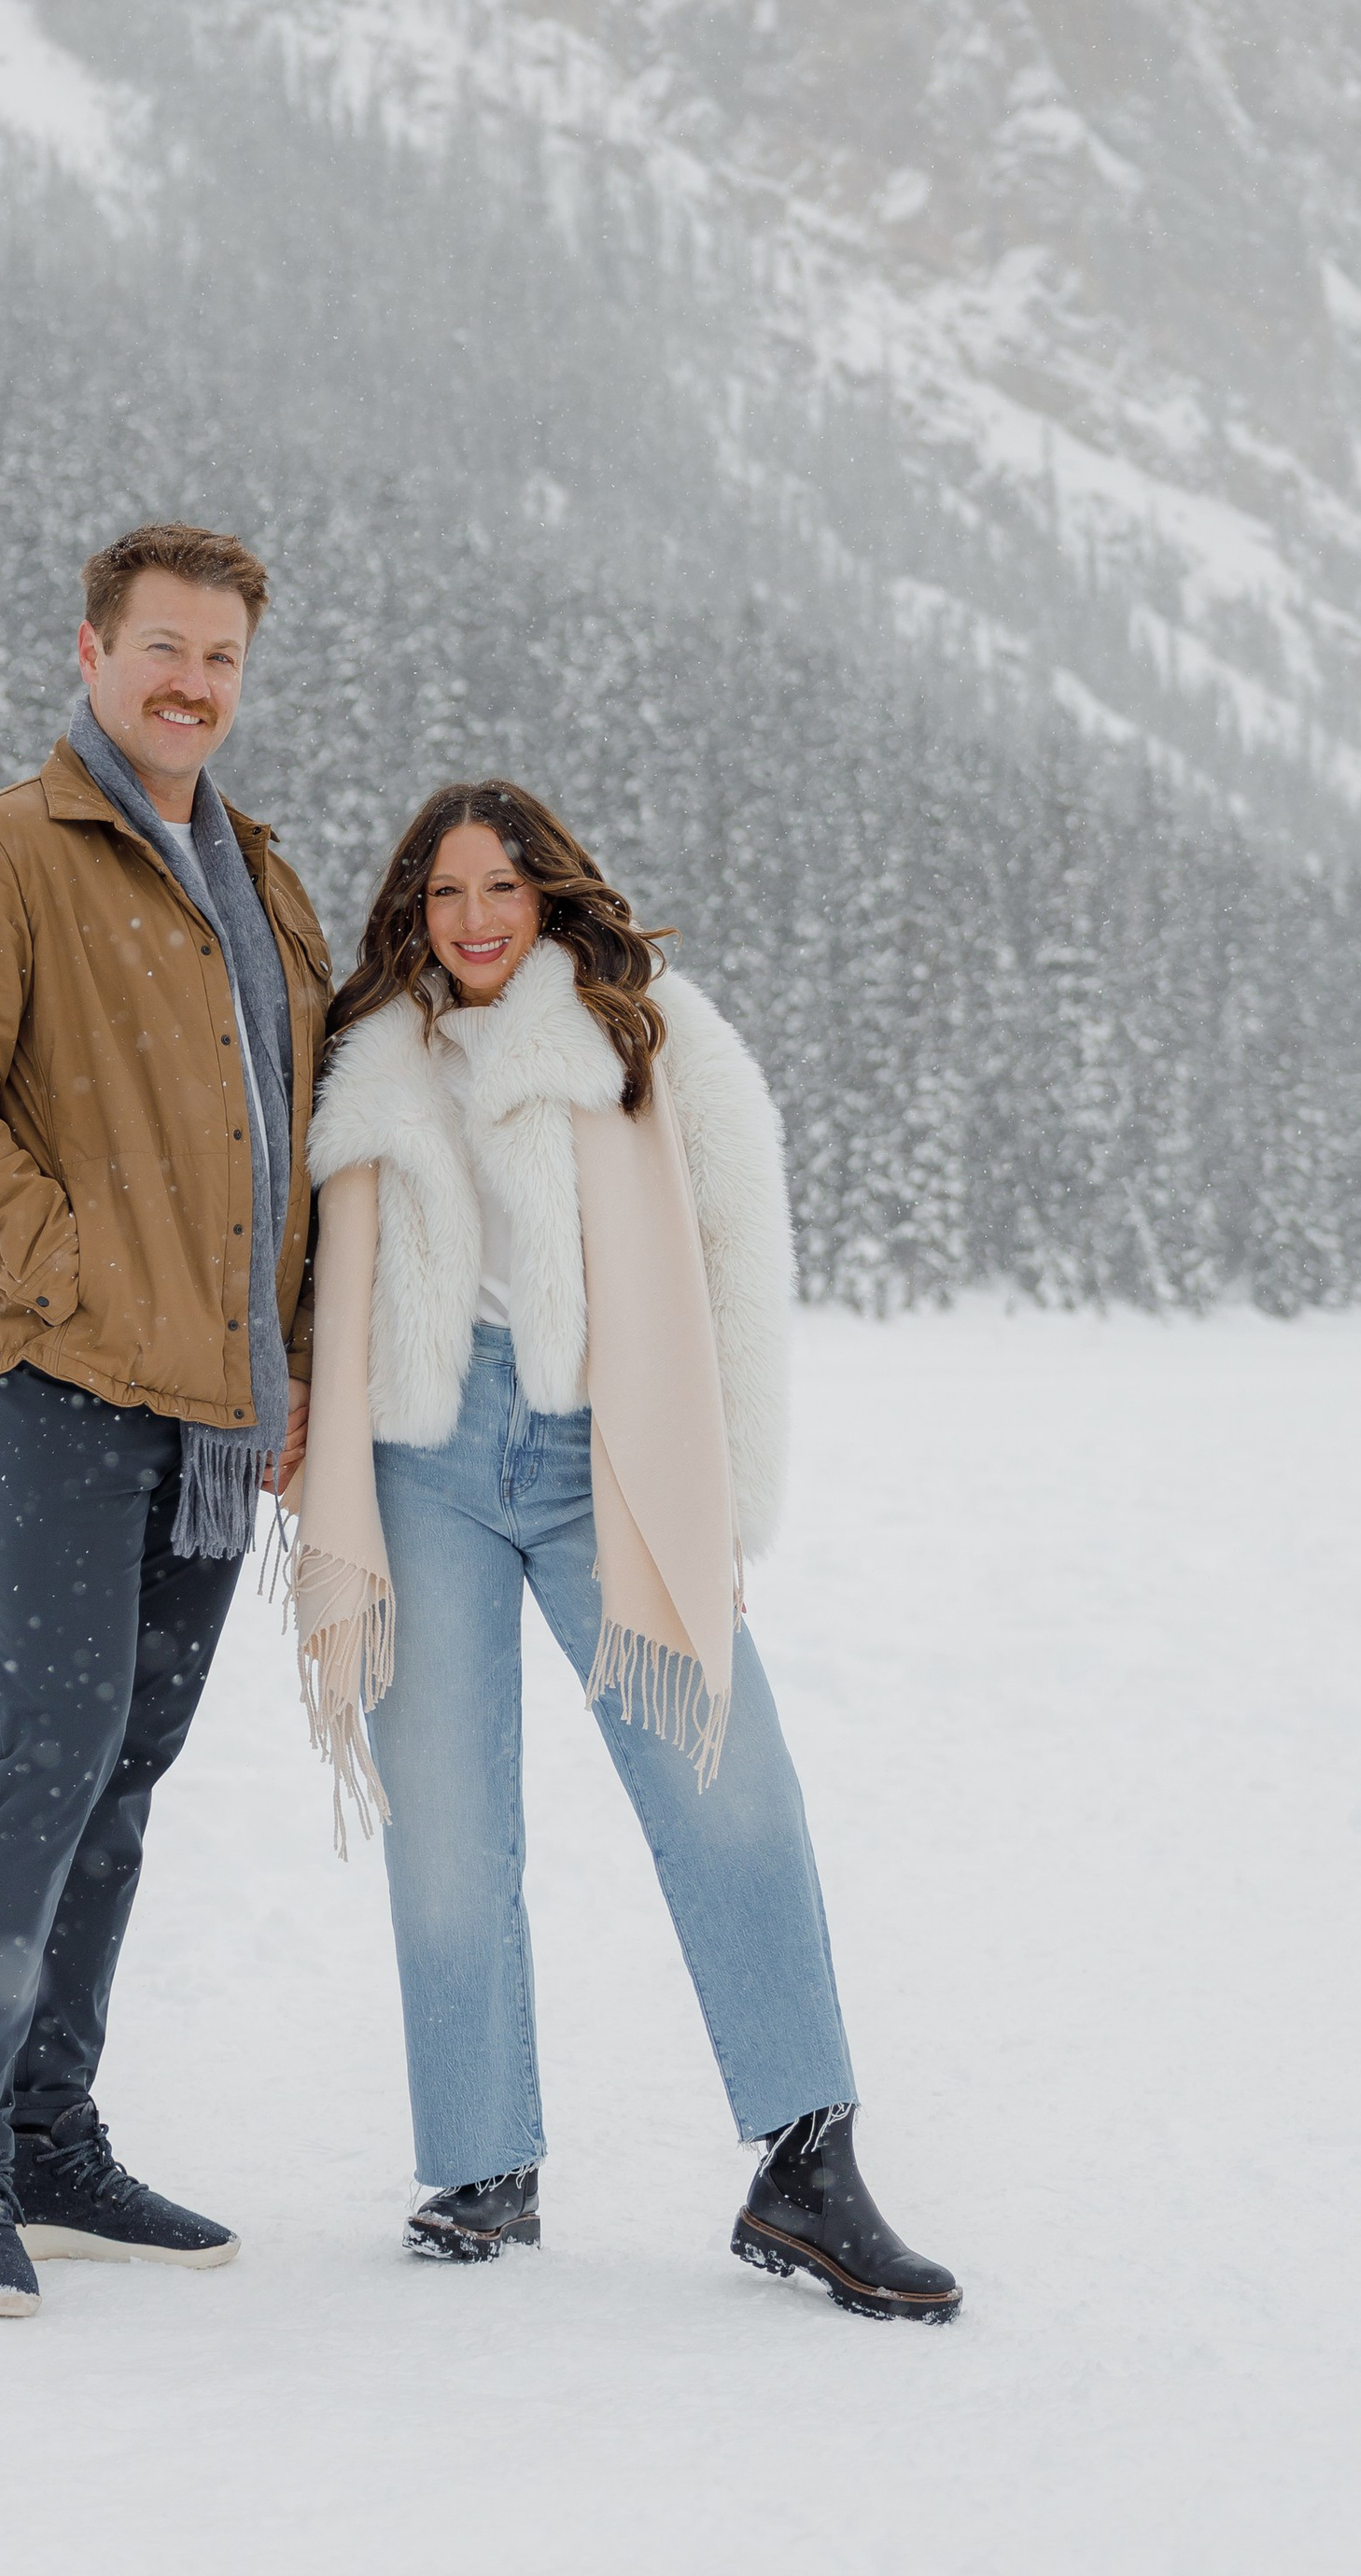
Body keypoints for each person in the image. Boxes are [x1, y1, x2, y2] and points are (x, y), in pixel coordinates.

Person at [286, 781, 960, 2317]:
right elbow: (314, 1260)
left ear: (549, 894)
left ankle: (808, 2159)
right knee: (447, 1826)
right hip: (423, 1462)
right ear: (415, 904)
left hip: (609, 1457)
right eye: (446, 891)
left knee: (730, 1788)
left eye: (500, 888)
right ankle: (481, 2162)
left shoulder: (644, 1032)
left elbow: (738, 1250)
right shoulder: (370, 1055)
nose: (472, 917)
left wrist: (727, 1496)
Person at [0, 521, 330, 2317]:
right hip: (50, 1380)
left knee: (127, 1769)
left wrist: (282, 1369)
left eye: (222, 658)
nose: (193, 682)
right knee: (48, 1753)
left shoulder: (260, 879)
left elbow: (275, 1151)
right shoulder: (3, 853)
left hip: (214, 1413)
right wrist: (60, 1265)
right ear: (92, 650)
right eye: (164, 648)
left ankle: (51, 2133)